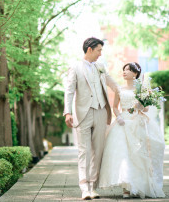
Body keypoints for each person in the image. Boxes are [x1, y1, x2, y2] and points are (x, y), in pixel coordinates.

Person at [99, 62, 165, 199]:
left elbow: (146, 109)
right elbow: (115, 107)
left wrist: (140, 105)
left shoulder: (142, 90)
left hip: (137, 122)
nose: (124, 72)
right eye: (123, 69)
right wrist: (119, 118)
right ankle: (126, 188)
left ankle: (138, 184)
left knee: (138, 155)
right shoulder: (119, 89)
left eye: (128, 70)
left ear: (135, 73)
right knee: (123, 154)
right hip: (123, 123)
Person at [64, 37, 119, 200]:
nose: (100, 54)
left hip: (101, 111)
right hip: (83, 113)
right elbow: (69, 91)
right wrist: (68, 112)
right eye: (99, 50)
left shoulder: (101, 67)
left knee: (98, 151)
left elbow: (113, 84)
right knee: (84, 152)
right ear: (89, 49)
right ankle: (84, 188)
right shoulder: (75, 67)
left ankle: (93, 187)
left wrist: (133, 92)